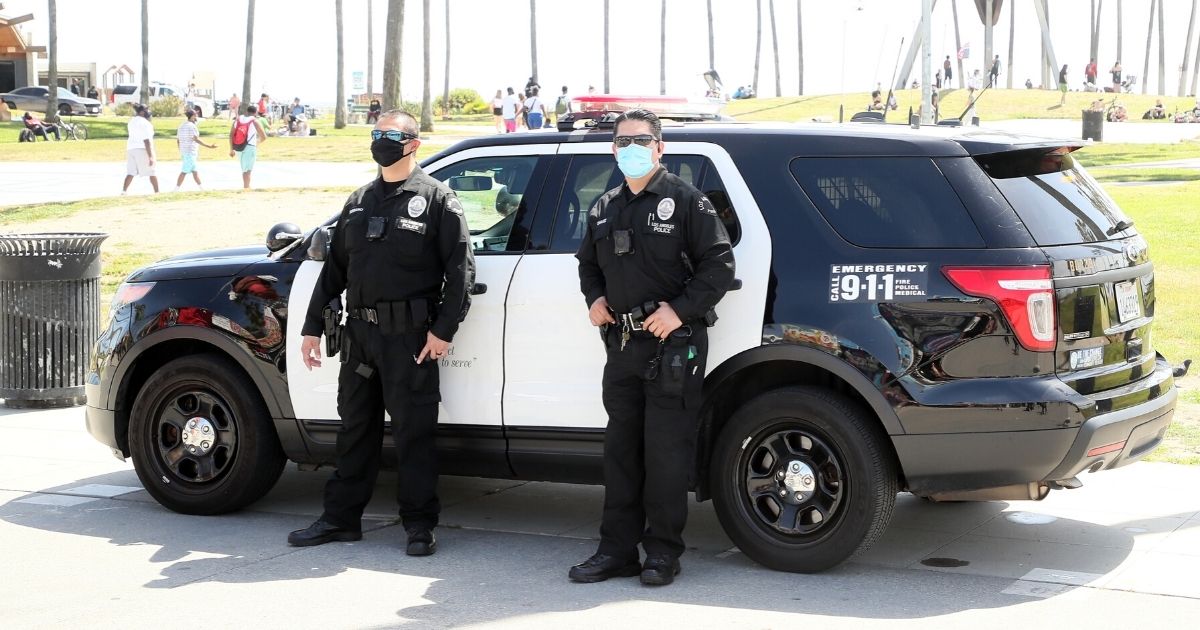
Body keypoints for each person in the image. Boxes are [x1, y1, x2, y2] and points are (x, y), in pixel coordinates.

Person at [288, 109, 475, 557]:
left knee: (414, 434)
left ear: (413, 143)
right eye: (377, 134)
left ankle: (419, 525)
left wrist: (443, 331)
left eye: (391, 135)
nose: (381, 141)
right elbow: (334, 271)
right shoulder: (358, 202)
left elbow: (461, 272)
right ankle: (340, 518)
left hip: (411, 338)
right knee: (354, 430)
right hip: (360, 338)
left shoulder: (437, 200)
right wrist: (312, 328)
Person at [571, 108, 735, 587]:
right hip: (621, 345)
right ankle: (616, 550)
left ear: (660, 148)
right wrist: (594, 297)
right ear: (613, 149)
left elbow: (718, 266)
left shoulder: (686, 202)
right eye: (623, 141)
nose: (631, 148)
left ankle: (662, 553)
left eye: (641, 140)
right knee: (620, 452)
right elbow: (588, 265)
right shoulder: (604, 207)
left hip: (672, 346)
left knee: (665, 454)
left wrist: (679, 311)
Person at [175, 109, 216, 192]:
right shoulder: (192, 126)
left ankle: (202, 189)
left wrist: (181, 150)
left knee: (194, 171)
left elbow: (178, 140)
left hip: (184, 152)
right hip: (190, 152)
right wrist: (208, 146)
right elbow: (196, 139)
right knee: (184, 171)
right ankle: (175, 190)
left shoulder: (182, 125)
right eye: (195, 115)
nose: (197, 116)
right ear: (193, 116)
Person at [229, 104, 268, 190]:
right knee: (248, 170)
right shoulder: (255, 121)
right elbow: (264, 137)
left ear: (247, 111)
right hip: (250, 147)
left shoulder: (238, 119)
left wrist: (231, 149)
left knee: (244, 169)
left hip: (238, 147)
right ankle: (246, 187)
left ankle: (246, 187)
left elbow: (231, 135)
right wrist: (257, 143)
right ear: (256, 112)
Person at [122, 104, 159, 194]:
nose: (148, 112)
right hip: (142, 149)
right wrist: (150, 156)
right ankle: (157, 192)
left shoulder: (132, 121)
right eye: (147, 110)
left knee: (131, 172)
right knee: (151, 172)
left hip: (131, 148)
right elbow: (146, 140)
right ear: (142, 112)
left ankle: (124, 191)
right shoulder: (145, 123)